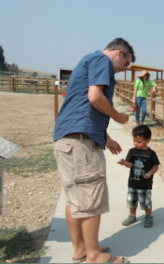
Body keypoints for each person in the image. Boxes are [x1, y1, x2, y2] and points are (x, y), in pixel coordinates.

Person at [53, 38, 135, 264]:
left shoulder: (88, 60)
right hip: (81, 143)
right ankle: (95, 256)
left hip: (69, 138)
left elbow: (82, 108)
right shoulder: (102, 61)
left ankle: (80, 249)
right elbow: (95, 97)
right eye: (125, 65)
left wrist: (105, 138)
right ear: (120, 53)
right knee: (90, 197)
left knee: (76, 199)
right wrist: (118, 116)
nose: (121, 70)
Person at [117, 125, 160, 228]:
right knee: (132, 201)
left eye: (139, 141)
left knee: (146, 202)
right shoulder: (132, 151)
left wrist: (150, 173)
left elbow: (156, 166)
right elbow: (130, 164)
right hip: (133, 183)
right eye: (134, 141)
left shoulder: (151, 153)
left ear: (147, 140)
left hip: (145, 184)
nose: (136, 143)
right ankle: (132, 216)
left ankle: (148, 216)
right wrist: (124, 163)